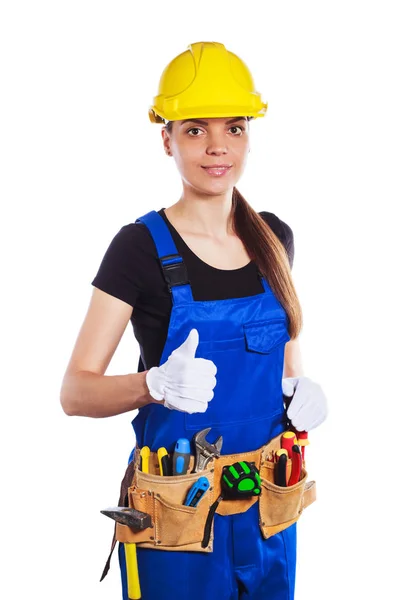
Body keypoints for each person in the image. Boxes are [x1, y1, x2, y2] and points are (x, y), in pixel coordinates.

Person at [60, 41, 328, 600]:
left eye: (234, 127)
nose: (217, 147)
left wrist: (300, 390)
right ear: (167, 138)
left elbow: (285, 361)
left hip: (266, 507)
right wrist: (152, 385)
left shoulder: (274, 238)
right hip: (177, 517)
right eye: (195, 129)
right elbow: (75, 392)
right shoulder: (138, 248)